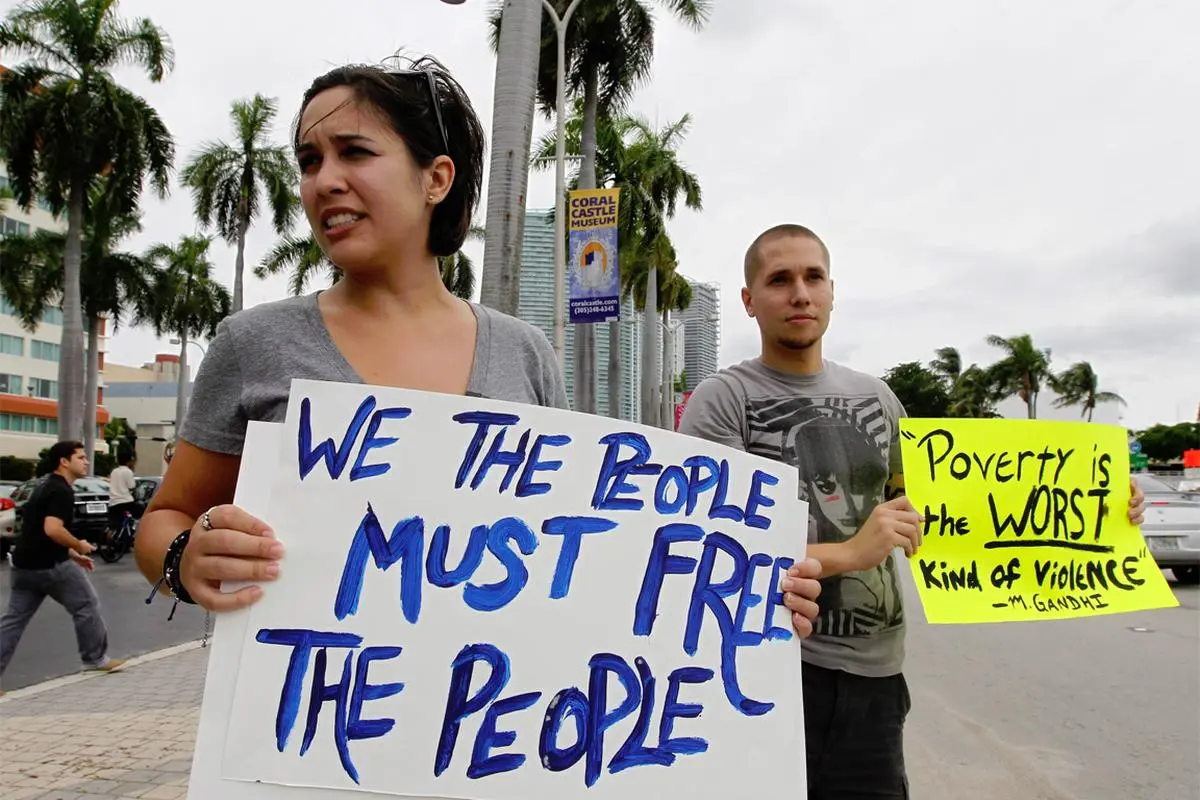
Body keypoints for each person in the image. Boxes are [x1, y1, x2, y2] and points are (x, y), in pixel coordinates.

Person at [131, 56, 823, 634]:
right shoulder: (255, 343)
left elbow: (582, 546)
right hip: (300, 741)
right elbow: (165, 518)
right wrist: (187, 560)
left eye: (355, 152)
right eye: (310, 160)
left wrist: (750, 596)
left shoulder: (523, 354)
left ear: (436, 177)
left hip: (495, 741)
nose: (324, 181)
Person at [678, 223, 1147, 798]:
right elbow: (712, 546)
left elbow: (952, 503)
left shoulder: (877, 399)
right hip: (767, 676)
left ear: (831, 291)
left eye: (813, 277)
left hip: (877, 679)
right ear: (750, 300)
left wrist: (1098, 504)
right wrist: (852, 552)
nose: (800, 293)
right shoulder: (724, 400)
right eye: (780, 279)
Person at [1, 441, 126, 691]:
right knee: (86, 605)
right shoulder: (61, 491)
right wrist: (78, 545)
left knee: (13, 621)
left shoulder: (44, 486)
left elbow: (39, 532)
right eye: (80, 457)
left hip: (23, 567)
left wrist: (72, 553)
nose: (86, 461)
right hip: (50, 567)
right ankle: (94, 658)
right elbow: (52, 529)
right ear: (64, 462)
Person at [106, 452, 142, 535]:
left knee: (113, 525)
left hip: (113, 503)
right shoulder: (128, 472)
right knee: (141, 512)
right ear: (128, 462)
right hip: (126, 502)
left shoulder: (114, 471)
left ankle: (110, 539)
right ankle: (134, 532)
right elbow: (132, 486)